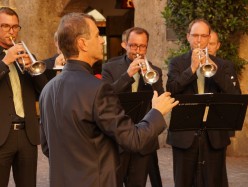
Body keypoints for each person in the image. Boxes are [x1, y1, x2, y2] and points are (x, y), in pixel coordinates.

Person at [39, 13, 179, 187]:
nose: (102, 41)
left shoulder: (47, 89)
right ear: (82, 43)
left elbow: (47, 147)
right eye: (97, 35)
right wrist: (157, 112)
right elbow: (133, 139)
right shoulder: (97, 88)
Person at [166, 19, 241, 187]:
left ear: (209, 38)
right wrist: (191, 69)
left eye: (203, 36)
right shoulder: (177, 63)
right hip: (184, 135)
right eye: (195, 35)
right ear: (188, 37)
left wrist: (216, 71)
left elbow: (234, 95)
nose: (199, 40)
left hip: (214, 136)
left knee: (214, 182)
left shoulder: (224, 65)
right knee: (184, 182)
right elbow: (171, 90)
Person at [102, 27, 164, 187]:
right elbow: (106, 97)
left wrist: (150, 78)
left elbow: (160, 97)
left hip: (143, 136)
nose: (138, 50)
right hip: (117, 135)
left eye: (142, 46)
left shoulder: (154, 71)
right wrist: (128, 75)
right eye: (133, 46)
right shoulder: (110, 67)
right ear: (124, 45)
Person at [0, 7, 48, 187]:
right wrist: (5, 61)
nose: (11, 31)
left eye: (15, 27)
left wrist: (32, 70)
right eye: (5, 26)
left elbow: (44, 90)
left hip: (27, 135)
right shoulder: (7, 58)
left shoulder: (27, 56)